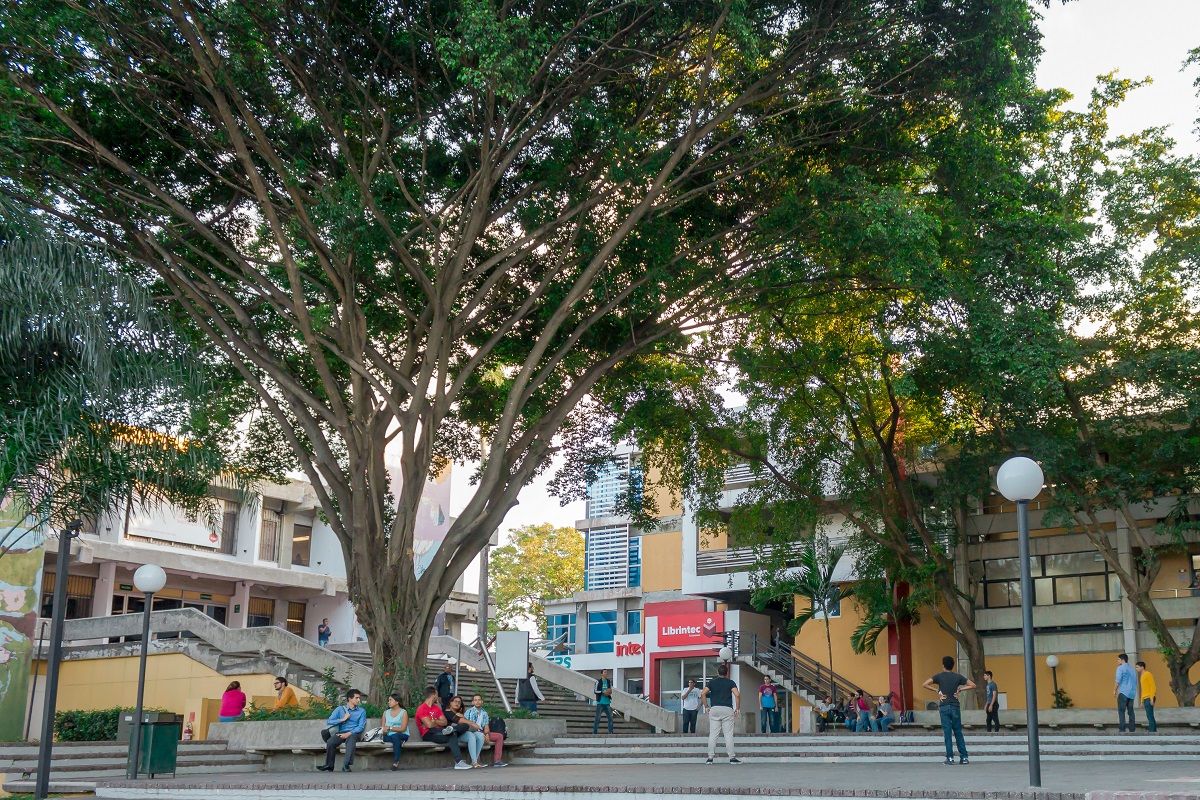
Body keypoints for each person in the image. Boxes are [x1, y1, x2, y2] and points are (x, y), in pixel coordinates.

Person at [923, 655, 975, 765]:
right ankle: (964, 758)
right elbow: (972, 685)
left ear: (943, 665)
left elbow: (925, 684)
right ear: (952, 666)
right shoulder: (958, 677)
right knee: (958, 732)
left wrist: (937, 691)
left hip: (944, 706)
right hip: (955, 706)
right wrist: (960, 689)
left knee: (947, 733)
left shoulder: (939, 676)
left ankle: (950, 758)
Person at [415, 685, 472, 770]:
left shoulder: (436, 708)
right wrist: (437, 721)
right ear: (433, 695)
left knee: (465, 725)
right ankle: (459, 762)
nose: (438, 696)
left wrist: (434, 721)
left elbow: (444, 722)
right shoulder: (422, 708)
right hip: (428, 733)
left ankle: (452, 730)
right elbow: (429, 725)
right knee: (452, 735)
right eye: (437, 694)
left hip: (440, 730)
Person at [317, 688, 366, 772]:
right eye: (356, 698)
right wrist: (342, 719)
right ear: (350, 698)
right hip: (342, 733)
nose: (359, 700)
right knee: (331, 742)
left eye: (359, 698)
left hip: (354, 733)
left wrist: (349, 733)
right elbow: (329, 721)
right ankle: (329, 765)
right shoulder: (340, 709)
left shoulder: (361, 711)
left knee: (351, 740)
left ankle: (346, 765)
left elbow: (360, 727)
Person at [701, 663, 740, 764]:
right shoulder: (730, 682)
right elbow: (737, 695)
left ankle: (710, 758)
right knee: (728, 735)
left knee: (713, 734)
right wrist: (737, 708)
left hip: (714, 709)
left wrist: (706, 706)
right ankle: (732, 758)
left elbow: (703, 693)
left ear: (717, 672)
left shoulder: (712, 682)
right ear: (727, 673)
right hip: (727, 709)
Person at [465, 694, 508, 767]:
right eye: (475, 700)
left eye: (479, 700)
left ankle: (497, 761)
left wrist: (487, 734)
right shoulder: (469, 712)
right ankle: (476, 761)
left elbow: (486, 725)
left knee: (499, 736)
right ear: (472, 702)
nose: (477, 702)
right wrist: (482, 734)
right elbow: (470, 725)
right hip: (472, 732)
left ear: (482, 702)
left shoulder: (484, 712)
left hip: (482, 732)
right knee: (479, 736)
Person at [446, 695, 484, 767]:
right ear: (450, 703)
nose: (457, 703)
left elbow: (472, 726)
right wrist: (471, 723)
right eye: (455, 701)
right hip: (453, 735)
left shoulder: (460, 714)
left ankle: (474, 761)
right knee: (471, 735)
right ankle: (474, 762)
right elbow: (469, 724)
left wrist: (463, 717)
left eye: (459, 702)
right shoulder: (448, 712)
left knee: (480, 735)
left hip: (461, 733)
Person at [382, 692, 409, 770]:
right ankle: (400, 742)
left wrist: (390, 728)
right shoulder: (385, 713)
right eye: (388, 700)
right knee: (388, 738)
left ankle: (396, 762)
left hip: (402, 734)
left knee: (395, 736)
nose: (388, 702)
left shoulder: (403, 712)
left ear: (397, 702)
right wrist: (384, 730)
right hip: (389, 735)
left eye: (390, 700)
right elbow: (383, 728)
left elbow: (403, 729)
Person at [1115, 653, 1138, 733]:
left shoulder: (1120, 668)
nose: (1117, 661)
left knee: (1121, 711)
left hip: (1123, 692)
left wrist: (1114, 690)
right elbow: (1135, 681)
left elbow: (1118, 680)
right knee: (1131, 712)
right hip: (1131, 693)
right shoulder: (1132, 669)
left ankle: (1122, 729)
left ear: (1122, 660)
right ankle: (1132, 729)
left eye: (1118, 659)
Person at [1136, 661, 1157, 733]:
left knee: (1150, 715)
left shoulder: (1148, 674)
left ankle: (1152, 730)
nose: (1136, 669)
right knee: (1149, 715)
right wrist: (1141, 701)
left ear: (1142, 667)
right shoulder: (1142, 676)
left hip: (1149, 697)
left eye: (1137, 667)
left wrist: (1152, 698)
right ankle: (1153, 730)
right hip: (1145, 698)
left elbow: (1153, 686)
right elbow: (1143, 689)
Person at [593, 668, 614, 734]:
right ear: (601, 674)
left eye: (606, 672)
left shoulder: (608, 681)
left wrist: (609, 692)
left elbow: (610, 690)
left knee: (610, 718)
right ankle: (595, 732)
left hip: (607, 702)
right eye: (605, 672)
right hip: (600, 703)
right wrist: (602, 692)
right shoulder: (598, 682)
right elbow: (595, 691)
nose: (606, 673)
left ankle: (610, 732)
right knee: (598, 718)